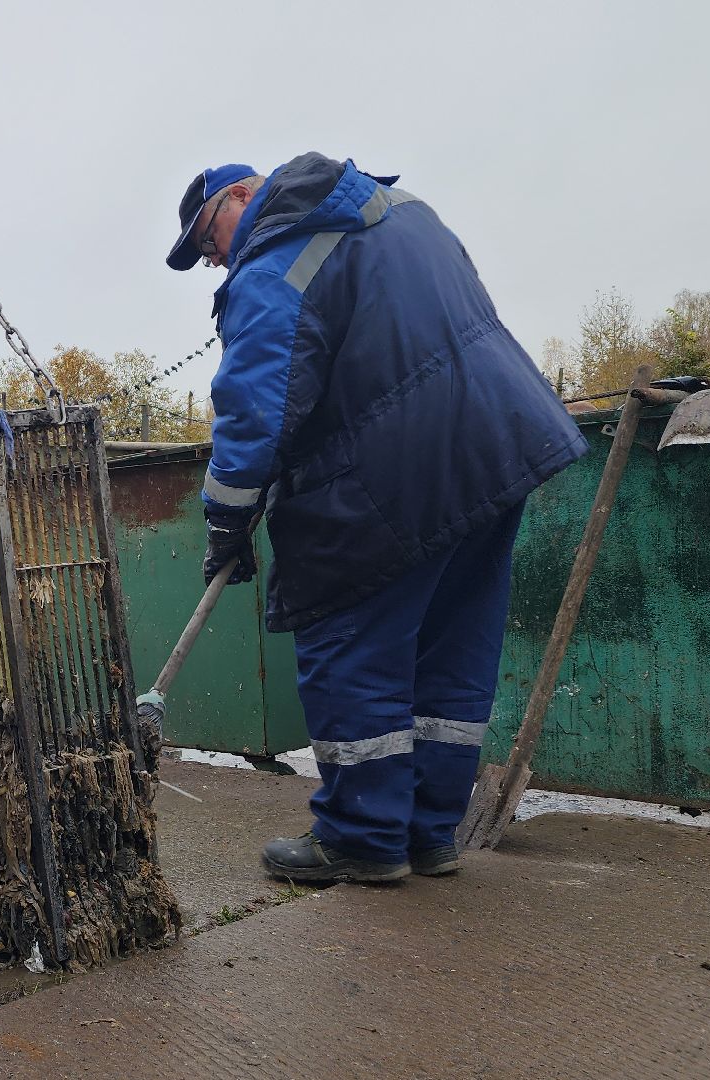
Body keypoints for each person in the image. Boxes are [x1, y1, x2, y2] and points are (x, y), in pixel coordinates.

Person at [162, 153, 585, 885]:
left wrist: (227, 523)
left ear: (242, 195)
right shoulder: (402, 211)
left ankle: (362, 836)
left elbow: (254, 408)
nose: (215, 260)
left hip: (397, 467)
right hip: (499, 442)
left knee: (348, 639)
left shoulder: (274, 263)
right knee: (451, 648)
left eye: (210, 239)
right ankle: (427, 834)